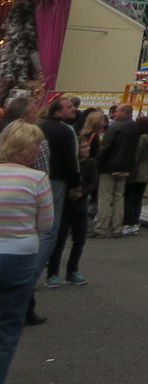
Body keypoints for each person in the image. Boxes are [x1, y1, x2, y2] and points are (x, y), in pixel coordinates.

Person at [0, 121, 53, 381]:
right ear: (28, 149)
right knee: (8, 324)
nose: (40, 150)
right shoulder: (37, 179)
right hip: (20, 255)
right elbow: (46, 224)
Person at [47, 99, 93, 288]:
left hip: (79, 203)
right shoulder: (66, 132)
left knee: (79, 238)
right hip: (65, 195)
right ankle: (52, 273)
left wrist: (81, 190)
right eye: (69, 107)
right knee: (58, 235)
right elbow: (70, 163)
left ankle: (72, 271)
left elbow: (93, 182)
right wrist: (75, 186)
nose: (74, 109)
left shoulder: (90, 164)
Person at [94, 105, 139, 238]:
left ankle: (101, 228)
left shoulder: (115, 126)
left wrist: (97, 162)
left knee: (105, 198)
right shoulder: (134, 127)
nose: (115, 114)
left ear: (124, 112)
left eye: (117, 111)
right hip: (125, 167)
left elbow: (105, 147)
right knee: (119, 197)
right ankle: (117, 227)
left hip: (109, 167)